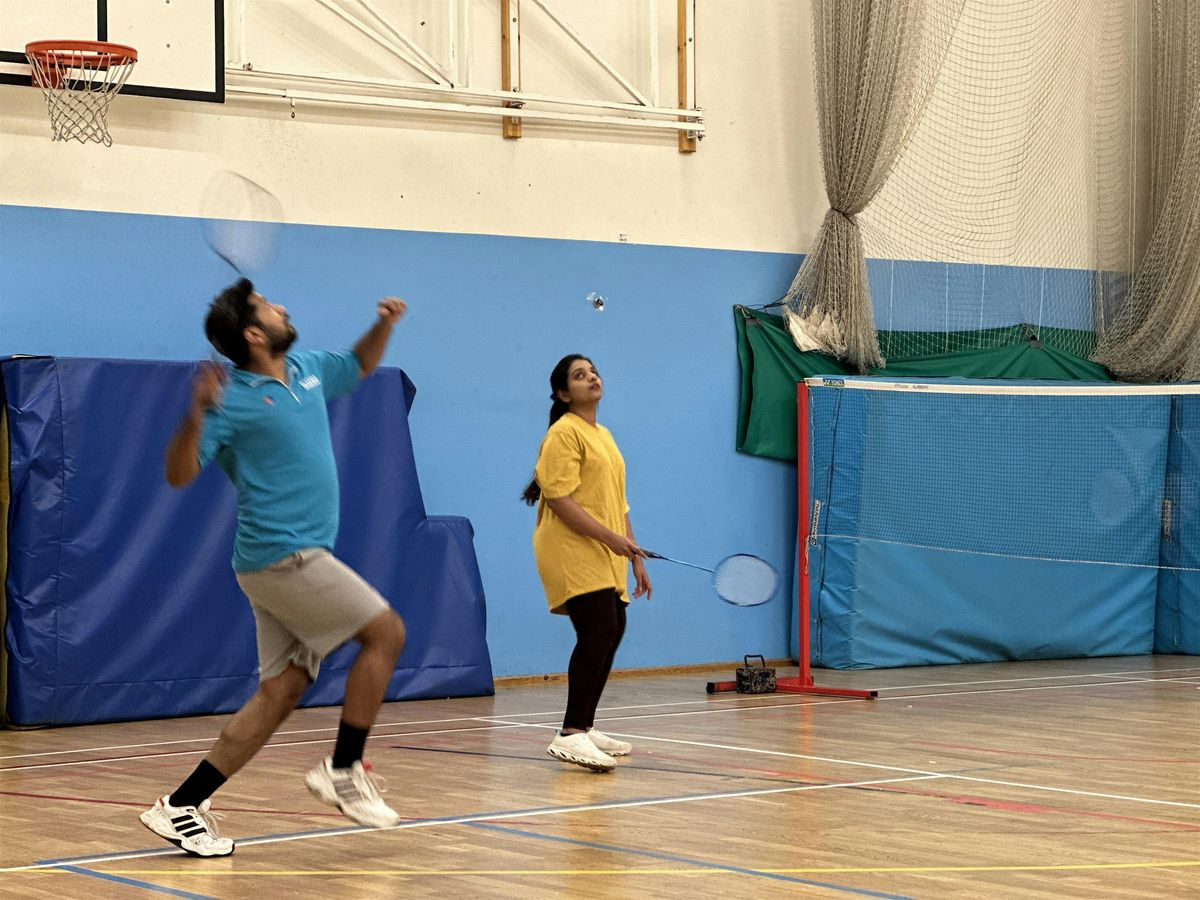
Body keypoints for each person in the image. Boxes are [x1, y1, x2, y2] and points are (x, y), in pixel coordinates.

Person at [140, 278, 409, 856]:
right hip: (283, 555)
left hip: (282, 560)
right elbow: (179, 474)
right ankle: (343, 769)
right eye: (270, 305)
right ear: (255, 333)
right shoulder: (230, 400)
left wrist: (382, 325)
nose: (285, 306)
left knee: (282, 690)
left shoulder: (308, 369)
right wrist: (194, 416)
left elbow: (359, 364)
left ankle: (183, 804)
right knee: (387, 632)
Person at [522, 354, 651, 773]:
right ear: (563, 393)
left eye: (592, 371)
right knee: (598, 630)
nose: (591, 377)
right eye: (580, 375)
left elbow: (619, 501)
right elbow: (559, 500)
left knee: (613, 628)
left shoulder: (604, 435)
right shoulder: (564, 434)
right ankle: (571, 733)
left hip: (603, 548)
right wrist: (613, 540)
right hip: (569, 546)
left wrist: (632, 552)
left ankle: (585, 726)